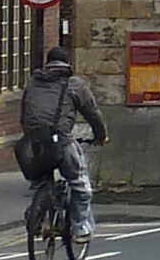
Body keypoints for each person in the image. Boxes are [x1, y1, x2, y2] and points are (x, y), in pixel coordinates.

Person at [16, 43, 108, 236]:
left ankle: (36, 216)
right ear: (67, 63)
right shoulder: (75, 84)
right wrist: (101, 136)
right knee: (79, 184)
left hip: (33, 143)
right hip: (61, 140)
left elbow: (24, 115)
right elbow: (92, 114)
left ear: (47, 63)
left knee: (38, 183)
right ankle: (80, 228)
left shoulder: (32, 83)